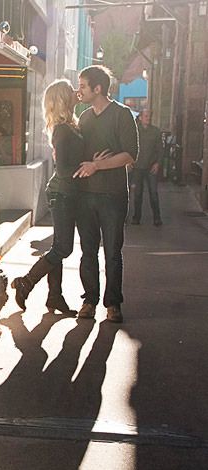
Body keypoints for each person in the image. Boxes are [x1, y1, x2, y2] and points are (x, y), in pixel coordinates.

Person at [11, 79, 86, 315]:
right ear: (63, 98)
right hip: (62, 193)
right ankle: (26, 282)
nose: (76, 92)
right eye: (71, 90)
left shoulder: (68, 125)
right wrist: (86, 165)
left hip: (66, 192)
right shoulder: (63, 130)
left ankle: (55, 297)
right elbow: (63, 168)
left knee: (58, 247)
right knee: (64, 248)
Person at [74, 65, 138, 324]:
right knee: (88, 251)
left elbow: (130, 154)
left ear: (97, 88)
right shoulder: (85, 118)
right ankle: (89, 300)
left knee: (112, 252)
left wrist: (97, 165)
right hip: (85, 195)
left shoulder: (122, 115)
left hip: (112, 196)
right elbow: (78, 154)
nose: (79, 91)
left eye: (82, 86)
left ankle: (113, 304)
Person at [131, 108, 163, 226]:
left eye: (149, 116)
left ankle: (157, 217)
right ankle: (136, 217)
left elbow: (160, 150)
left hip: (151, 167)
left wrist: (158, 163)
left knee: (153, 193)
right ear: (140, 117)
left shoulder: (155, 132)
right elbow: (130, 147)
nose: (148, 118)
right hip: (138, 167)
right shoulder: (135, 131)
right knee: (138, 193)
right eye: (145, 116)